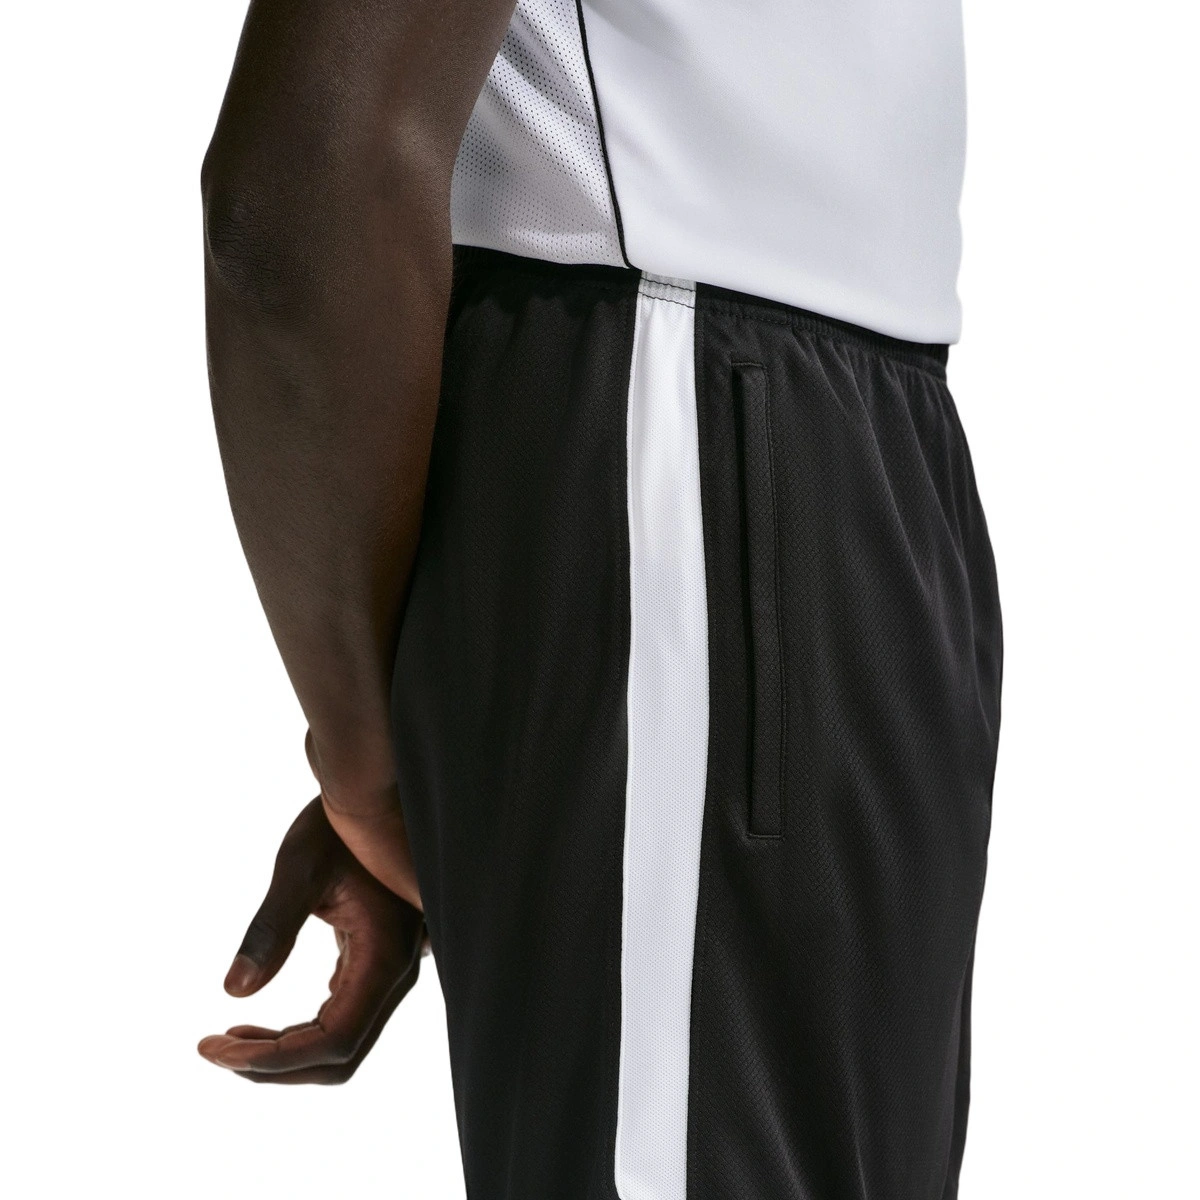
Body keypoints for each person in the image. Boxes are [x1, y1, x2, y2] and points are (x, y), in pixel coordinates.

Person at [197, 0, 1003, 1196]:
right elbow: (301, 190)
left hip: (805, 445)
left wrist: (378, 752)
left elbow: (303, 199)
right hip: (719, 420)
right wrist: (378, 755)